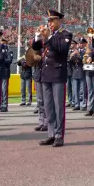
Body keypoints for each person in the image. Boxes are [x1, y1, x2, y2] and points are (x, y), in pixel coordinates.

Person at [33, 9, 72, 147]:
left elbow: (62, 49)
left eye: (52, 20)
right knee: (48, 106)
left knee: (58, 107)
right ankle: (51, 134)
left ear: (59, 21)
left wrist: (49, 37)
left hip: (57, 74)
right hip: (46, 74)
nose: (50, 23)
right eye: (48, 21)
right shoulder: (46, 35)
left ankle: (59, 135)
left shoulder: (65, 34)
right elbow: (35, 47)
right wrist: (38, 36)